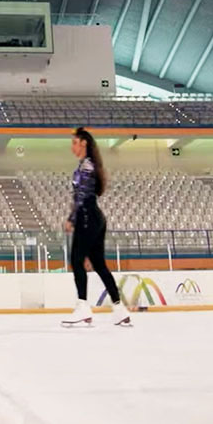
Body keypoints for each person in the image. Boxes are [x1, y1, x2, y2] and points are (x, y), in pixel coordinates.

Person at [62, 127, 130, 327]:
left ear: (83, 143)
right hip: (95, 218)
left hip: (87, 218)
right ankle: (119, 308)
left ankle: (82, 306)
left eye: (74, 142)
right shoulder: (89, 165)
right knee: (99, 265)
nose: (72, 146)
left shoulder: (86, 166)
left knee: (76, 259)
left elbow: (82, 197)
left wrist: (71, 219)